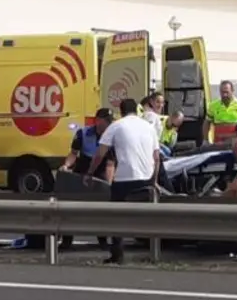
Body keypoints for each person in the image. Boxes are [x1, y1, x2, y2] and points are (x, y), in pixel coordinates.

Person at [85, 98, 161, 264]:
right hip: (146, 178)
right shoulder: (149, 127)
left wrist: (89, 173)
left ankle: (117, 254)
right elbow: (157, 158)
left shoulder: (117, 126)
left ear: (121, 111)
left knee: (116, 216)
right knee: (149, 217)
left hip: (125, 179)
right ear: (137, 110)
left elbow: (100, 153)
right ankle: (154, 253)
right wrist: (153, 181)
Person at [57, 107, 115, 250]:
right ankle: (67, 239)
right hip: (82, 171)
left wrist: (109, 183)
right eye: (105, 121)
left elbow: (110, 163)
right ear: (98, 120)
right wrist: (66, 165)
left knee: (100, 209)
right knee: (71, 207)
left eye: (109, 121)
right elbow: (73, 154)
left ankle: (102, 240)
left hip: (100, 173)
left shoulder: (111, 136)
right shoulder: (83, 133)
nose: (108, 124)